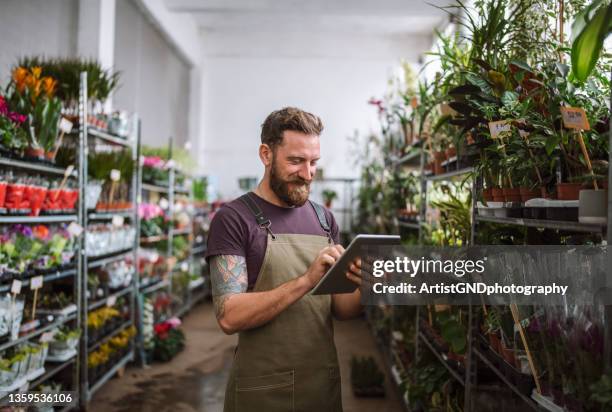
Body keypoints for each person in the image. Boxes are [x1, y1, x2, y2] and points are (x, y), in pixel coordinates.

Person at [206, 107, 363, 412]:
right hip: (262, 391)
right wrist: (306, 280)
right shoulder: (234, 219)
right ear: (266, 154)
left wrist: (367, 285)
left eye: (313, 162)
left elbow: (340, 309)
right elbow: (229, 316)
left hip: (321, 387)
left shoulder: (324, 219)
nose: (307, 174)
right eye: (295, 161)